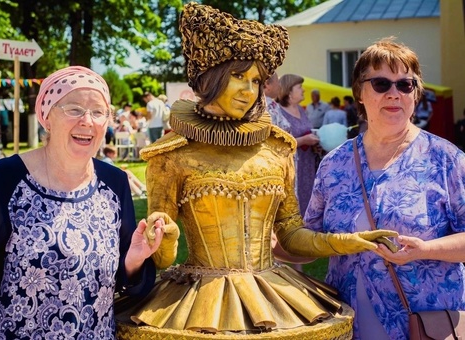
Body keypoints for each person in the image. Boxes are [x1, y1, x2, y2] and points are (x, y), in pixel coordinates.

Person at [115, 4, 396, 339]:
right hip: (197, 301)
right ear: (212, 75)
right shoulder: (172, 155)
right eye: (238, 76)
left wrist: (348, 241)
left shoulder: (278, 149)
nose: (249, 91)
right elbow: (160, 257)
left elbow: (291, 234)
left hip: (272, 292)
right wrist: (166, 238)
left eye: (256, 80)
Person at [0, 66, 169, 339]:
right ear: (47, 116)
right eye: (74, 109)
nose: (87, 121)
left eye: (98, 112)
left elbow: (121, 284)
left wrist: (133, 262)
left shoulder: (114, 184)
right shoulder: (1, 181)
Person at [304, 37, 465, 339]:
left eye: (405, 85)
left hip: (423, 326)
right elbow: (306, 242)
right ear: (360, 93)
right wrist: (266, 242)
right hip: (348, 324)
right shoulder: (334, 164)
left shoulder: (447, 160)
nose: (394, 93)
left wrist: (425, 250)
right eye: (381, 84)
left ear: (415, 95)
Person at [273, 74, 319, 216]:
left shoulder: (301, 110)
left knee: (308, 203)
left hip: (308, 164)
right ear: (289, 92)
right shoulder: (278, 112)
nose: (303, 90)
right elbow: (278, 143)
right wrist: (304, 140)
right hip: (292, 166)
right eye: (299, 87)